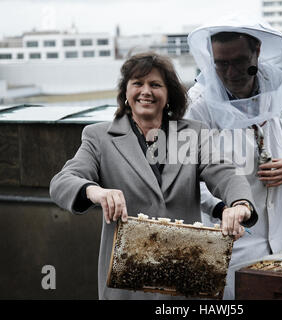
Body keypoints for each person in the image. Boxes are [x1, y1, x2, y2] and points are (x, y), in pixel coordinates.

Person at [49, 52, 258, 300]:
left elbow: (224, 172)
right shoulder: (99, 137)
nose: (145, 91)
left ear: (168, 94)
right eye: (137, 83)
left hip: (185, 283)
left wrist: (240, 205)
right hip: (127, 287)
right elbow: (62, 182)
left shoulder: (193, 133)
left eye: (155, 85)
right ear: (125, 92)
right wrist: (95, 191)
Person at [186, 16, 282, 299]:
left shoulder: (280, 87)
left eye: (240, 60)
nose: (231, 72)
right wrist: (225, 208)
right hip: (234, 242)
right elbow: (189, 178)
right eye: (222, 63)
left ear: (256, 50)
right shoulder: (198, 105)